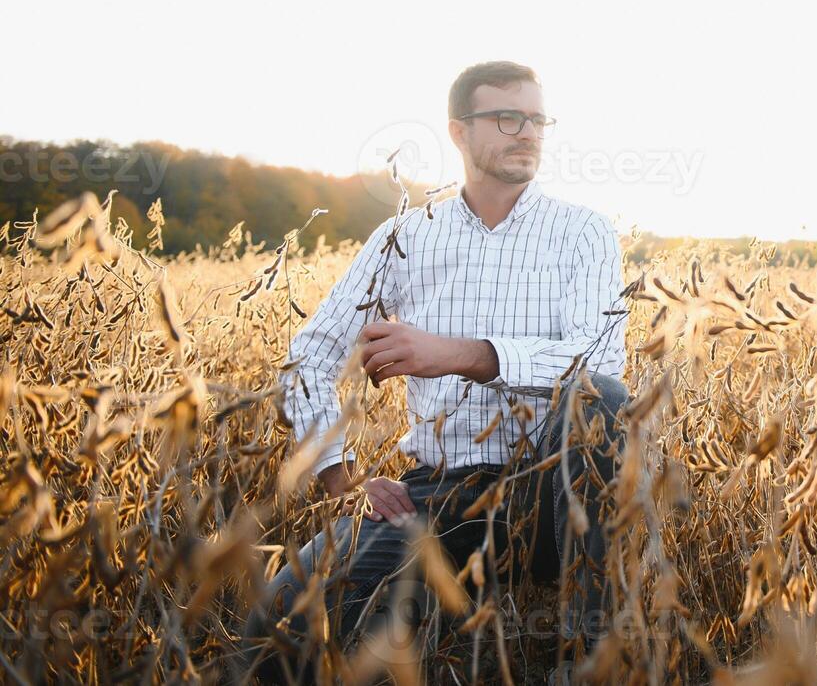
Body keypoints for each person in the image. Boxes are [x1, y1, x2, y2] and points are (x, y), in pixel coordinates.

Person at [239, 61, 629, 684]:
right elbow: (307, 358)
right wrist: (340, 475)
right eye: (507, 118)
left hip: (550, 493)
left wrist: (460, 353)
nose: (527, 132)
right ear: (458, 132)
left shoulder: (582, 233)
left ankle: (590, 660)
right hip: (434, 494)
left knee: (603, 397)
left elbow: (600, 364)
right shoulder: (405, 236)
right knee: (280, 627)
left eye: (537, 119)